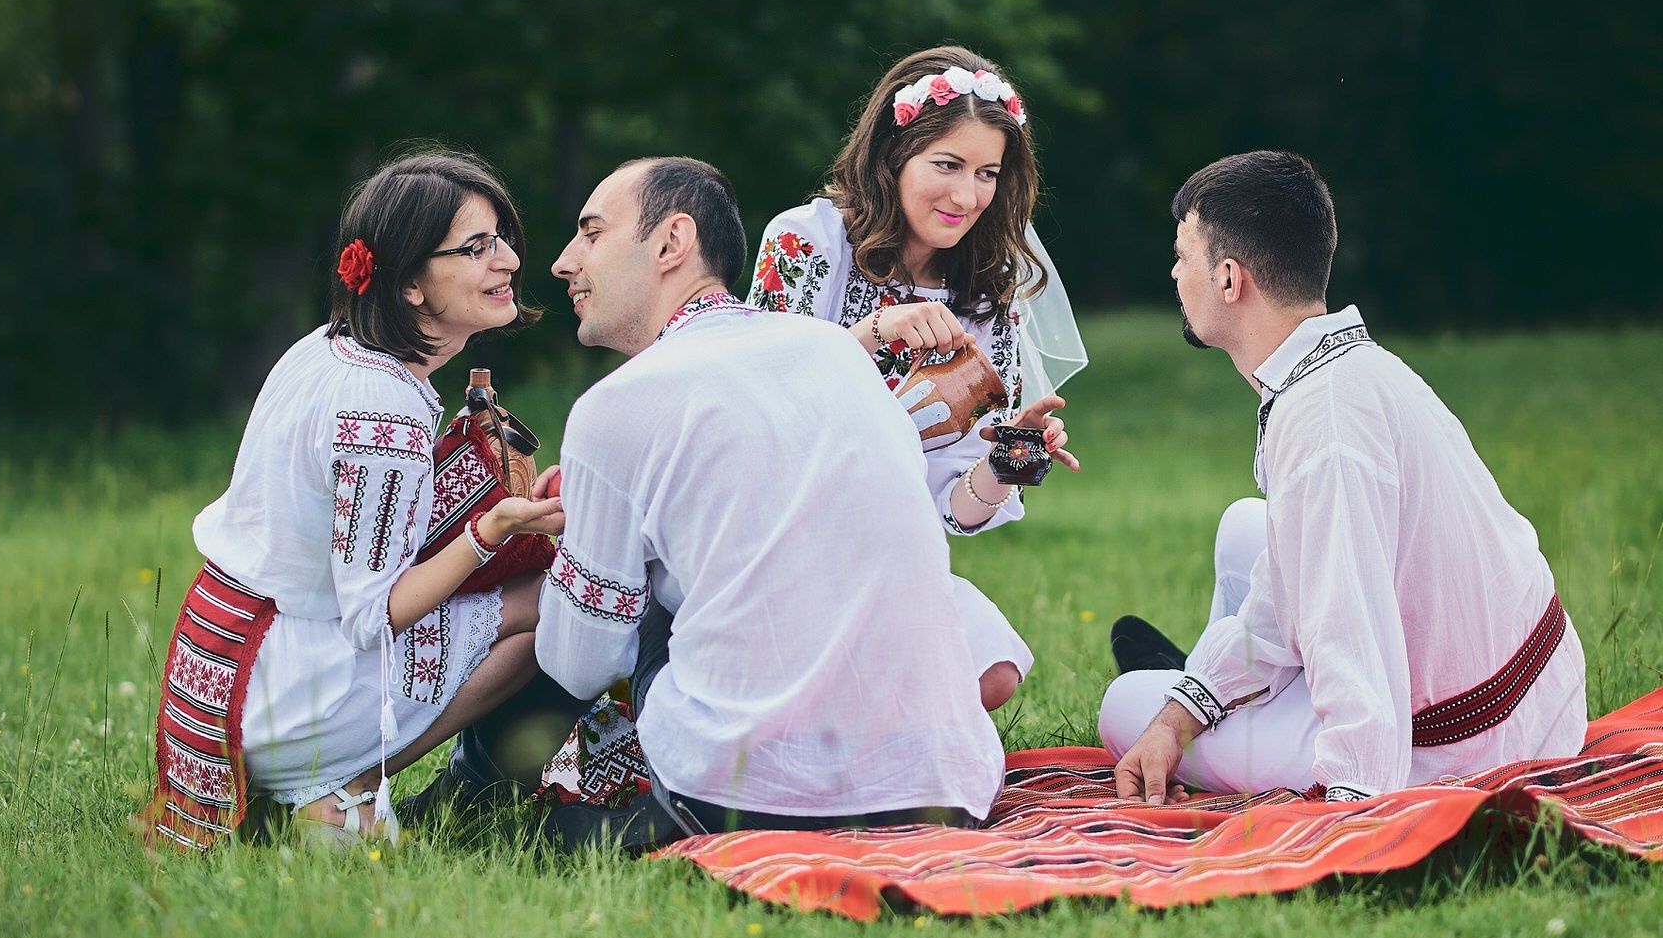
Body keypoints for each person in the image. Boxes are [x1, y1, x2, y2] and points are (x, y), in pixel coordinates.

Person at [537, 155, 1005, 837]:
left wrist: (565, 552)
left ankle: (530, 787)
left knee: (620, 623)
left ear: (672, 242)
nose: (563, 260)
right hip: (943, 783)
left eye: (591, 232)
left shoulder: (614, 407)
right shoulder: (839, 353)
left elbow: (577, 665)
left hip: (738, 797)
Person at [1101, 151, 1586, 804]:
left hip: (1471, 744)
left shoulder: (1323, 424)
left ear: (1227, 279)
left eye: (1182, 254)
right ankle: (1220, 688)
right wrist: (1186, 710)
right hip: (1534, 688)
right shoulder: (1345, 368)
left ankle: (1225, 696)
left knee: (1123, 707)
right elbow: (1290, 584)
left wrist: (1356, 796)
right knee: (1245, 527)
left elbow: (1348, 624)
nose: (1173, 272)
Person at [141, 149, 565, 850]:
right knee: (548, 602)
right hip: (283, 682)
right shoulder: (384, 409)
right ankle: (341, 781)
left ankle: (327, 791)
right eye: (476, 247)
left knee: (528, 590)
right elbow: (373, 613)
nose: (510, 262)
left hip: (223, 662)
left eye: (503, 240)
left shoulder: (327, 347)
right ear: (410, 287)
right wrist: (490, 528)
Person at [747, 46, 1083, 711]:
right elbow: (753, 400)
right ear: (894, 153)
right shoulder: (808, 242)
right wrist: (874, 332)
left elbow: (950, 512)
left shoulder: (986, 302)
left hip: (886, 561)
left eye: (987, 172)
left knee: (994, 669)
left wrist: (1010, 461)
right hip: (772, 545)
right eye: (948, 164)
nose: (968, 195)